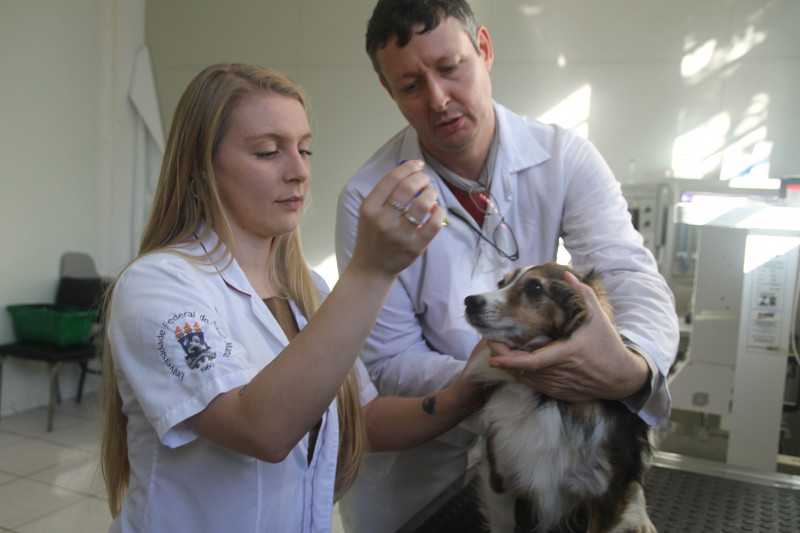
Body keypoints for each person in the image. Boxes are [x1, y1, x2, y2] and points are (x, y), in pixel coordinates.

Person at [334, 1, 680, 532]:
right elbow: (390, 359)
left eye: (451, 68)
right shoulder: (369, 198)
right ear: (388, 90)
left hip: (551, 447)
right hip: (425, 459)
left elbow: (627, 274)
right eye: (410, 86)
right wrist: (504, 372)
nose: (439, 100)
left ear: (485, 50)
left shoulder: (564, 158)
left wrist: (629, 364)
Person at [100, 63, 484, 533]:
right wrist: (372, 269)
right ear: (201, 168)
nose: (299, 171)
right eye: (268, 152)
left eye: (304, 149)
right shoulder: (156, 285)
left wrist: (470, 390)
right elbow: (259, 428)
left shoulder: (309, 291)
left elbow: (364, 419)